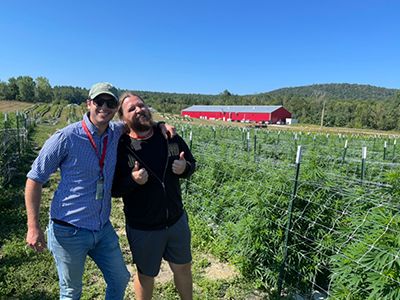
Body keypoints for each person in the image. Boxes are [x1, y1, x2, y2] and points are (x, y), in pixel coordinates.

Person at [25, 82, 175, 300]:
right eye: (99, 101)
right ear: (89, 104)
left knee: (120, 278)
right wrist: (33, 226)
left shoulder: (115, 132)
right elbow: (34, 179)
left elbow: (139, 122)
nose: (104, 107)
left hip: (102, 228)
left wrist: (161, 124)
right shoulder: (65, 138)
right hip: (69, 230)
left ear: (116, 109)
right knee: (71, 291)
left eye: (110, 102)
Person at [112, 92, 196, 300]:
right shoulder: (121, 148)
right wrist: (133, 181)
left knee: (183, 268)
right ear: (123, 118)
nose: (139, 109)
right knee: (145, 276)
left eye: (141, 105)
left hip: (176, 220)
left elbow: (192, 164)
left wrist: (184, 168)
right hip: (144, 227)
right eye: (131, 109)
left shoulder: (169, 137)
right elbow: (113, 189)